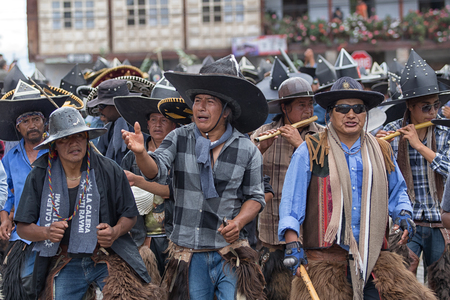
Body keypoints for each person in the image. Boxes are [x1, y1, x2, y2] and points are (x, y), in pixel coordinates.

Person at [122, 56, 268, 300]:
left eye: (210, 101)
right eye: (197, 100)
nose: (201, 107)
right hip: (188, 255)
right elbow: (155, 170)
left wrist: (239, 222)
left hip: (229, 254)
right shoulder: (179, 138)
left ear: (226, 111)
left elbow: (255, 196)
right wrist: (140, 154)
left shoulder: (247, 148)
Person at [278, 76, 436, 299]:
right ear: (330, 113)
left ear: (366, 113)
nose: (351, 115)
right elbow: (291, 204)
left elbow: (397, 191)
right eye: (343, 108)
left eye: (358, 108)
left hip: (374, 259)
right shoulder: (310, 150)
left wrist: (403, 213)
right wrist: (292, 242)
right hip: (325, 262)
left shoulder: (381, 150)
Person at [14, 106, 157, 300]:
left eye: (79, 136)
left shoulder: (109, 169)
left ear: (87, 139)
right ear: (54, 144)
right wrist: (46, 232)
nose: (74, 143)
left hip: (108, 255)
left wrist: (114, 232)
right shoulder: (40, 174)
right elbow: (22, 227)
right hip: (65, 260)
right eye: (65, 138)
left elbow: (129, 215)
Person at [376, 50, 450, 298]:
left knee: (443, 288)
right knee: (403, 289)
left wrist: (419, 146)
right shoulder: (391, 132)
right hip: (408, 224)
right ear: (410, 106)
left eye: (436, 105)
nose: (433, 112)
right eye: (426, 107)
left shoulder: (444, 131)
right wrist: (376, 147)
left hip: (441, 224)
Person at [251, 76, 323, 299]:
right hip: (270, 234)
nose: (308, 110)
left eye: (310, 104)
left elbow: (327, 178)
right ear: (284, 107)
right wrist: (260, 150)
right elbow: (243, 174)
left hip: (307, 236)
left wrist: (301, 146)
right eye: (301, 105)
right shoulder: (263, 132)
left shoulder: (322, 135)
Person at [0, 82, 67, 300]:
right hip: (23, 231)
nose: (32, 125)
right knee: (22, 284)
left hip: (57, 227)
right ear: (18, 127)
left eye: (36, 119)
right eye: (25, 121)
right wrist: (4, 218)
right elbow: (7, 192)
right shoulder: (11, 157)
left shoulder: (57, 152)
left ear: (45, 123)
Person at [115, 77, 179, 279]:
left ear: (175, 124)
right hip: (142, 240)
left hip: (174, 238)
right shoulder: (130, 158)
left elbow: (179, 192)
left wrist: (140, 182)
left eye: (164, 120)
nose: (157, 125)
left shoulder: (184, 155)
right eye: (153, 120)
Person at [86, 79, 135, 165]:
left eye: (102, 105)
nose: (100, 109)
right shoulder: (107, 130)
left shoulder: (140, 128)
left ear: (117, 105)